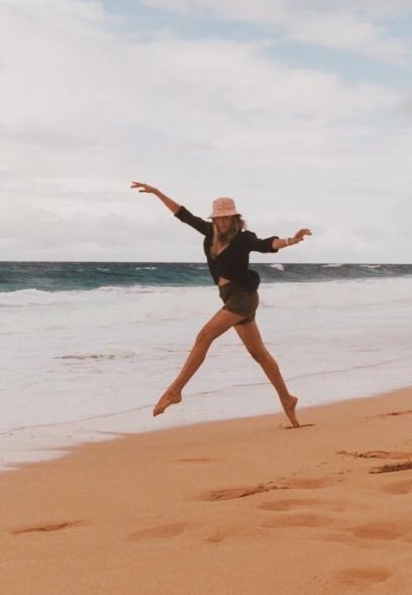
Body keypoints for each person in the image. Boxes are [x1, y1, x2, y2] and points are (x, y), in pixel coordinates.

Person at [130, 182, 312, 428]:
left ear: (235, 218)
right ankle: (287, 398)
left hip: (243, 297)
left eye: (227, 218)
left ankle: (175, 391)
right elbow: (183, 215)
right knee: (259, 353)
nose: (223, 223)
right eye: (219, 219)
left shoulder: (244, 238)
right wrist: (157, 193)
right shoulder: (209, 232)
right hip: (228, 297)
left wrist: (292, 240)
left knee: (204, 336)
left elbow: (267, 244)